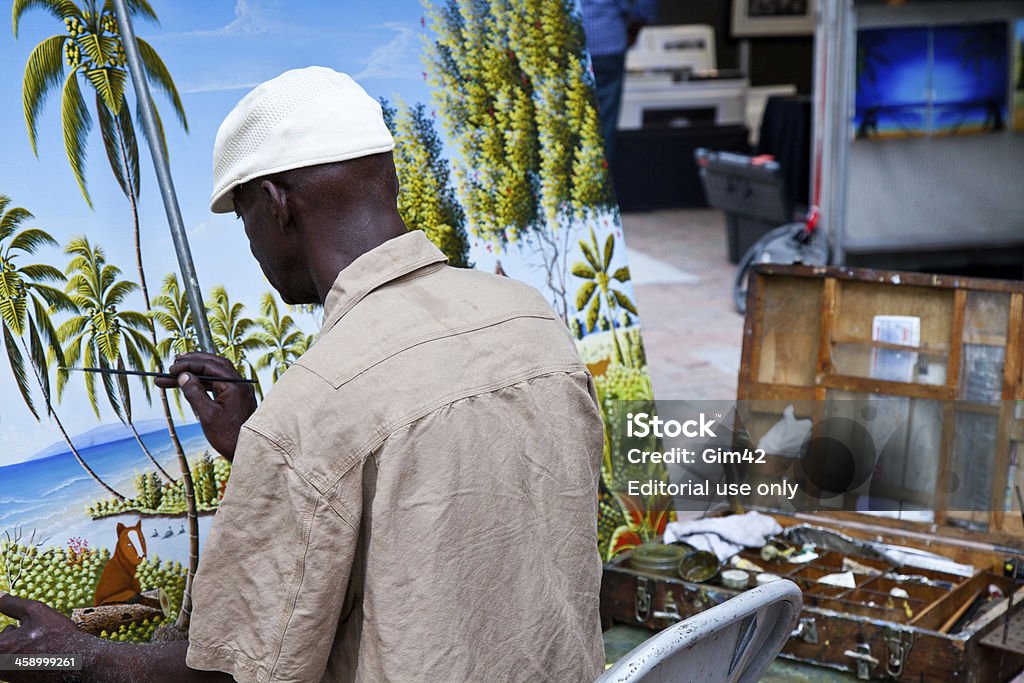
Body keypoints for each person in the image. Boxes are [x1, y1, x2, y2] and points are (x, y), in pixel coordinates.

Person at [0, 67, 606, 682]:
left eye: (242, 219)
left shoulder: (314, 407)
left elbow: (225, 675)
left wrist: (77, 655)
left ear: (275, 203)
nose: (252, 245)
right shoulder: (532, 318)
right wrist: (257, 450)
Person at [580, 0, 659, 164]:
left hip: (566, 40)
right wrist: (637, 26)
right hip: (609, 38)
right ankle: (598, 180)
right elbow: (646, 5)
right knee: (604, 124)